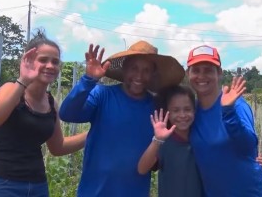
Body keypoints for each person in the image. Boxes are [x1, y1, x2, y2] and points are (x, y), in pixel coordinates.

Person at [58, 41, 185, 197]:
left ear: (153, 75)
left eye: (146, 70)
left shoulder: (158, 108)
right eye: (134, 68)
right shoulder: (101, 95)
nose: (139, 76)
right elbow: (67, 114)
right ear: (124, 69)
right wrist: (87, 80)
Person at [0, 30, 87, 197]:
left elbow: (58, 147)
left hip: (37, 185)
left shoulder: (51, 103)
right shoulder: (11, 90)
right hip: (1, 184)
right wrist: (23, 81)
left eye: (55, 62)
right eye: (43, 60)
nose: (50, 65)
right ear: (28, 61)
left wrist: (93, 133)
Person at [186, 45, 262, 196]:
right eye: (196, 70)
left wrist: (228, 112)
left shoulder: (236, 104)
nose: (201, 76)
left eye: (208, 70)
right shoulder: (191, 111)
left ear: (219, 73)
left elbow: (249, 146)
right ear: (188, 74)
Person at [138, 85, 204, 197]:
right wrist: (157, 140)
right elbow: (142, 169)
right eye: (176, 110)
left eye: (187, 109)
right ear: (167, 114)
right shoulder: (164, 142)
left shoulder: (202, 138)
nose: (182, 115)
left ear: (194, 110)